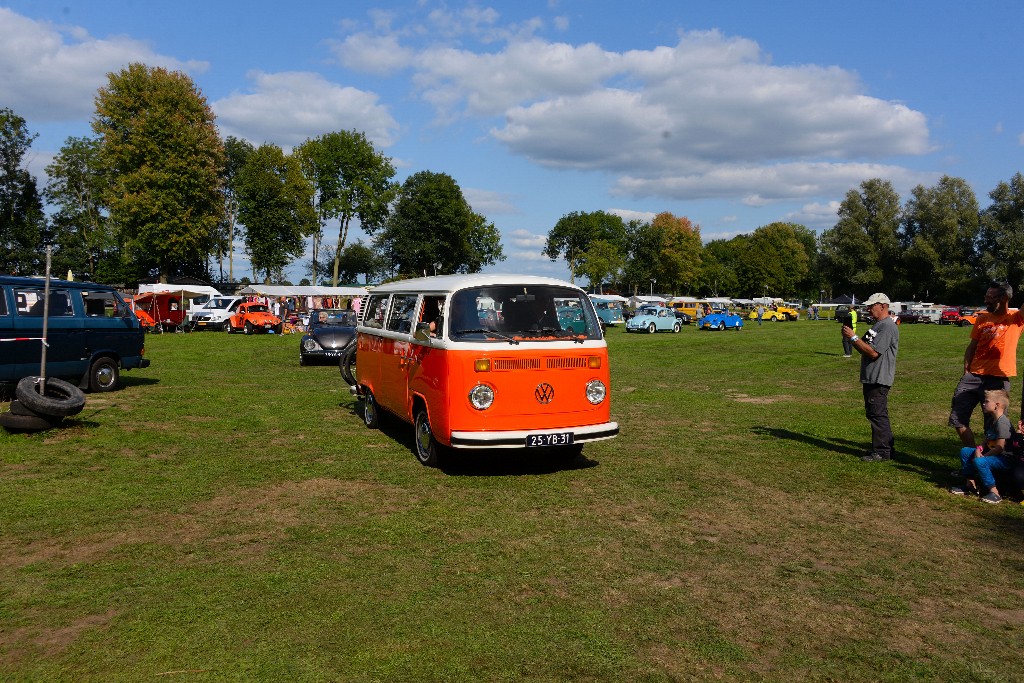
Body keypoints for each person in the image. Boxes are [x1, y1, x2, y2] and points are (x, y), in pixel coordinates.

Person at [948, 281, 1024, 447]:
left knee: (994, 425)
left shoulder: (1016, 318)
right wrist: (966, 369)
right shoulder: (982, 318)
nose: (986, 300)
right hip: (973, 376)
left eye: (991, 297)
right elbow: (972, 347)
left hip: (998, 379)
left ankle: (989, 460)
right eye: (986, 296)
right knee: (957, 419)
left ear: (1004, 298)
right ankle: (973, 455)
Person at [842, 293, 899, 462]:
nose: (868, 309)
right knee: (876, 413)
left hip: (879, 377)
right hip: (872, 376)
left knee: (877, 414)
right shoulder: (878, 325)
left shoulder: (887, 326)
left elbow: (874, 353)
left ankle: (882, 451)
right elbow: (865, 347)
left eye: (871, 305)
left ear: (882, 306)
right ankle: (885, 448)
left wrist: (853, 337)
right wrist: (853, 339)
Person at [950, 389, 1014, 503]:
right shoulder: (992, 420)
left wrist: (984, 457)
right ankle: (970, 485)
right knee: (965, 451)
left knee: (980, 462)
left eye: (986, 401)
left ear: (997, 405)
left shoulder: (1003, 423)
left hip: (1004, 459)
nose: (983, 404)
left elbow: (999, 447)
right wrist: (979, 449)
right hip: (992, 453)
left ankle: (994, 493)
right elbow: (986, 440)